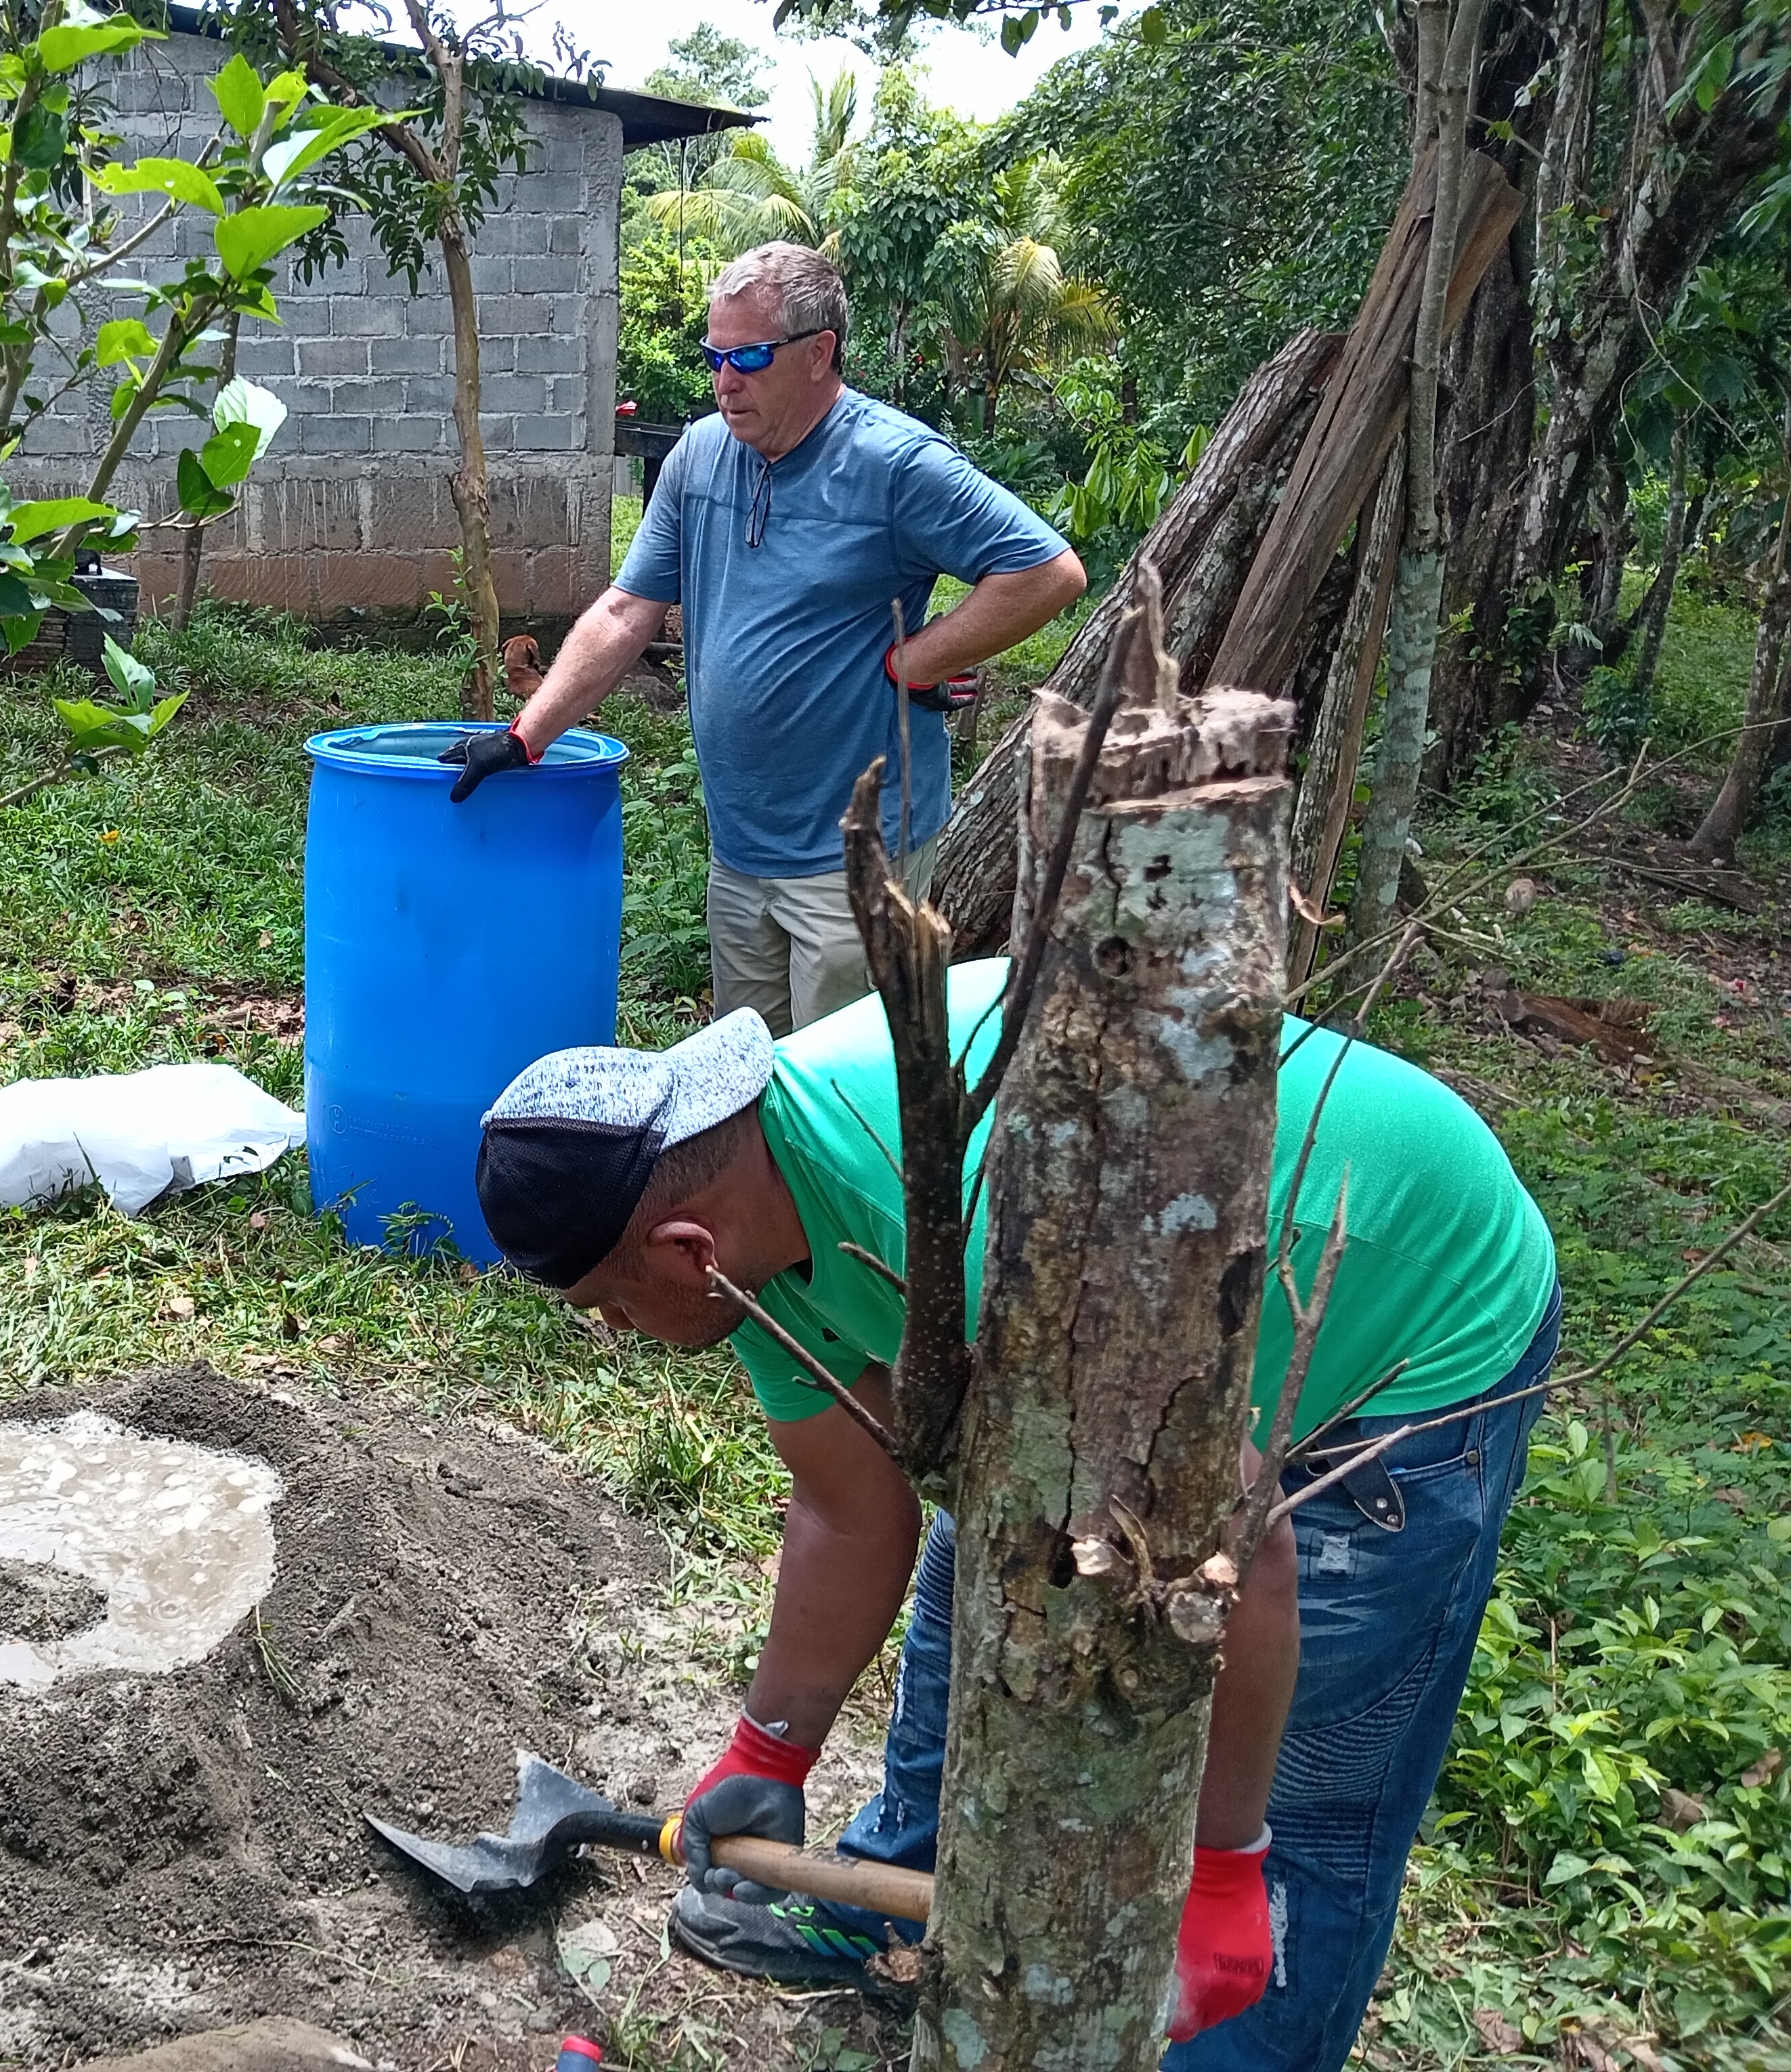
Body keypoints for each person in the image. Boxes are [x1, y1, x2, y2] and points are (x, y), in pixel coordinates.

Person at [471, 963, 1560, 2063]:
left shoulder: (1011, 1229)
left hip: (1406, 1315)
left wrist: (1225, 1866)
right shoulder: (742, 1209)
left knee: (1306, 1791)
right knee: (976, 1568)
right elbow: (849, 1508)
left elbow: (1248, 1551)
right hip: (1144, 1290)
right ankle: (899, 1885)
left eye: (604, 1304)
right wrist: (773, 1749)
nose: (610, 1329)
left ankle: (1244, 2016)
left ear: (684, 1251)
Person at [441, 244, 1085, 1038]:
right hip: (741, 848)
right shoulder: (700, 457)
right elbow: (625, 613)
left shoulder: (895, 463)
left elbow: (1047, 571)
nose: (724, 379)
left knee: (840, 1104)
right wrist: (523, 738)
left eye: (748, 355)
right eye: (715, 355)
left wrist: (913, 662)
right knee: (748, 1080)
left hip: (858, 854)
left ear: (820, 354)